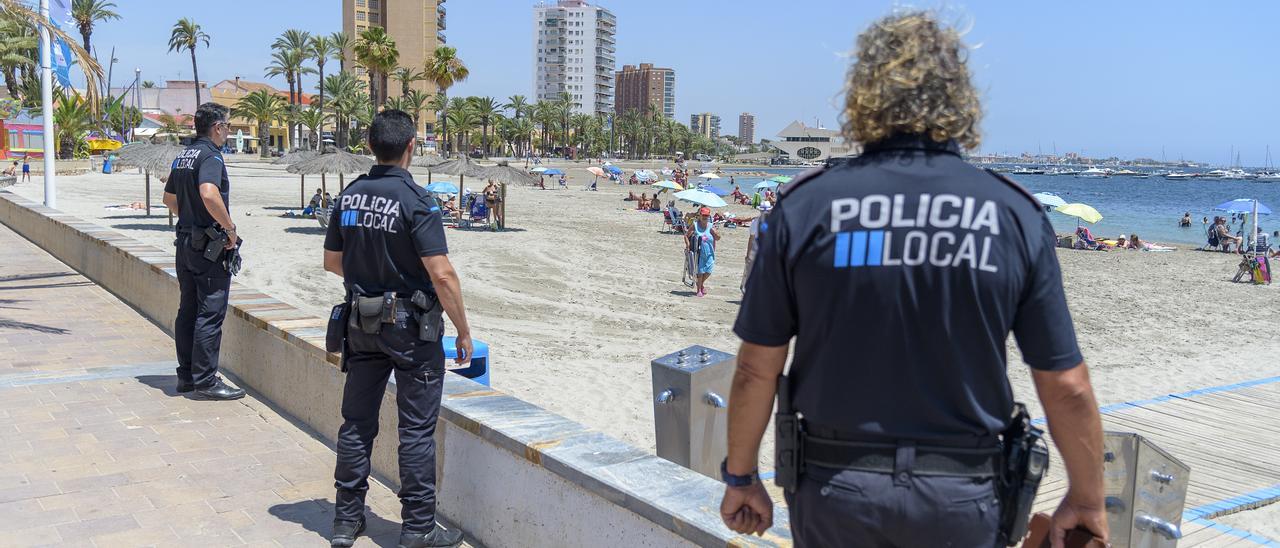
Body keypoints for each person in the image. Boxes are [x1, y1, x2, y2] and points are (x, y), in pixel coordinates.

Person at [719, 12, 1108, 547]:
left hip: (837, 490)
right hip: (963, 498)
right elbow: (1066, 386)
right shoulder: (1012, 214)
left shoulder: (804, 207)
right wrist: (1086, 498)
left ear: (862, 96)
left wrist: (742, 477)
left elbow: (756, 370)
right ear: (959, 98)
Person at [323, 110, 471, 548]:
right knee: (416, 430)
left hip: (361, 321)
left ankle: (346, 521)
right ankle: (418, 528)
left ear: (371, 147)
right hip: (410, 328)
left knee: (356, 423)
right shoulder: (417, 200)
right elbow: (442, 274)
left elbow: (332, 261)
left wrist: (371, 276)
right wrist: (463, 330)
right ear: (411, 147)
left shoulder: (350, 195)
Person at [160, 102, 245, 401]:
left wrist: (192, 218)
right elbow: (209, 193)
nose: (229, 132)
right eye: (229, 126)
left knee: (188, 310)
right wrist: (229, 229)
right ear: (218, 127)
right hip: (208, 248)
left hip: (184, 242)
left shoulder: (183, 155)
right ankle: (206, 380)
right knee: (210, 311)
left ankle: (186, 376)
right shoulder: (211, 156)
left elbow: (169, 199)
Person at [686, 206, 719, 297]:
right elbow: (686, 236)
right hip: (699, 253)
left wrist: (716, 233)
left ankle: (700, 284)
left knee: (708, 271)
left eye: (707, 216)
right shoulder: (695, 225)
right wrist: (688, 245)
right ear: (700, 215)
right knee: (700, 273)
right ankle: (699, 290)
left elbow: (718, 238)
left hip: (710, 252)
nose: (705, 217)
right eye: (703, 215)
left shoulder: (711, 226)